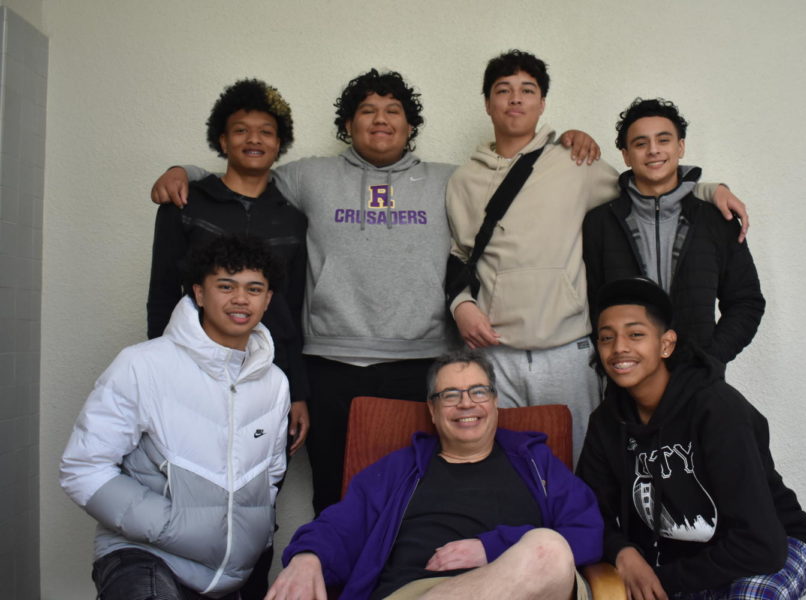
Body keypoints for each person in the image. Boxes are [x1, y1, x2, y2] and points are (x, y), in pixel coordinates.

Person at [149, 68, 600, 515]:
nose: (380, 119)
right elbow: (248, 170)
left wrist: (568, 142)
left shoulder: (450, 180)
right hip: (329, 361)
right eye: (367, 111)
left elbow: (519, 184)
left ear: (410, 127)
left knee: (416, 495)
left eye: (393, 111)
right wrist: (184, 171)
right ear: (348, 126)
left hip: (421, 361)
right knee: (333, 492)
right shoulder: (310, 177)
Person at [445, 50, 748, 462]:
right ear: (487, 103)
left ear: (542, 103)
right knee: (502, 465)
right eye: (503, 90)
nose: (515, 99)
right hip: (496, 348)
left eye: (527, 90)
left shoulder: (576, 163)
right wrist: (461, 304)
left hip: (567, 348)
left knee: (580, 464)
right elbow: (459, 257)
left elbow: (649, 185)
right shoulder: (463, 179)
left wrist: (710, 190)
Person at [264, 348, 604, 600]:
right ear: (432, 408)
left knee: (548, 550)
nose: (466, 404)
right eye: (450, 395)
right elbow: (339, 526)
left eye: (478, 391)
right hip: (415, 590)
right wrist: (308, 557)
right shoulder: (398, 470)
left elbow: (587, 533)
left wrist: (492, 548)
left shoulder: (535, 462)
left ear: (495, 401)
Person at [146, 78, 309, 597]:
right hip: (193, 376)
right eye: (241, 130)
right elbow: (159, 296)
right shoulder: (186, 202)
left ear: (279, 145)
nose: (253, 139)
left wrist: (299, 391)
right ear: (221, 140)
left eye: (266, 132)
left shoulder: (292, 216)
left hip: (269, 379)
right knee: (191, 498)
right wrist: (161, 372)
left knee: (257, 504)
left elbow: (296, 308)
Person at [60, 235, 291, 599]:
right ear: (199, 293)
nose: (241, 300)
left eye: (254, 288)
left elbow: (271, 473)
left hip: (228, 576)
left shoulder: (275, 383)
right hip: (144, 558)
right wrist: (170, 526)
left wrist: (249, 535)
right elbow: (83, 467)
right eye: (225, 286)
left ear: (268, 299)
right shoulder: (143, 364)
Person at [577, 277, 806, 600]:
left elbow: (760, 544)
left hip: (770, 547)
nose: (619, 347)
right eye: (607, 338)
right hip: (683, 563)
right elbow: (589, 510)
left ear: (666, 343)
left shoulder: (716, 407)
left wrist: (666, 580)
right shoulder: (607, 423)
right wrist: (623, 552)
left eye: (636, 334)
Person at [583, 98, 765, 365]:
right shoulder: (600, 223)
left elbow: (746, 301)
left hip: (699, 379)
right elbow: (592, 305)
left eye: (664, 140)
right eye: (641, 143)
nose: (653, 150)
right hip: (626, 381)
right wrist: (610, 361)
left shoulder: (716, 218)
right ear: (626, 155)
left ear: (680, 147)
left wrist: (710, 359)